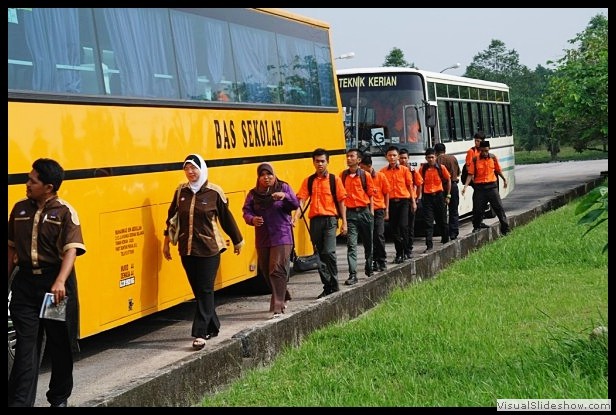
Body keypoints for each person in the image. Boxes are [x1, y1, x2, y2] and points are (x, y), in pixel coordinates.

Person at [8, 158, 87, 407]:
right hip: (25, 285)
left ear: (49, 187)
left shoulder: (65, 212)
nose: (27, 184)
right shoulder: (19, 210)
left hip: (54, 289)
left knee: (59, 343)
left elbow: (71, 250)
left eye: (33, 180)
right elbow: (10, 251)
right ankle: (19, 403)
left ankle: (59, 397)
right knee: (26, 347)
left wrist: (61, 281)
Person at [163, 154, 244, 350]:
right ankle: (213, 326)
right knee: (199, 291)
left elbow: (226, 218)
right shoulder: (180, 191)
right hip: (187, 249)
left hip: (209, 249)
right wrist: (166, 243)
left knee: (206, 289)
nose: (190, 172)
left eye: (194, 168)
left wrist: (237, 240)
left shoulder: (214, 192)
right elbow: (171, 217)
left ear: (202, 169)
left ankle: (199, 333)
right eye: (187, 168)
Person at [242, 163, 299, 318]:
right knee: (266, 271)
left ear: (274, 175)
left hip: (282, 235)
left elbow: (295, 203)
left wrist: (285, 196)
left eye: (269, 175)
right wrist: (252, 219)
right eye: (262, 175)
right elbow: (246, 211)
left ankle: (278, 306)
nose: (266, 178)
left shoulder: (283, 187)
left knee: (276, 269)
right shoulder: (253, 194)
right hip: (263, 237)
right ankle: (284, 294)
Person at [294, 148, 347, 299]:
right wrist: (296, 217)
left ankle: (334, 284)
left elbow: (342, 200)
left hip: (330, 220)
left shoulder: (334, 180)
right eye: (317, 161)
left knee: (329, 252)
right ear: (313, 162)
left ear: (327, 162)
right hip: (315, 221)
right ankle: (327, 286)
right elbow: (301, 200)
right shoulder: (309, 180)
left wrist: (344, 222)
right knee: (319, 255)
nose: (320, 164)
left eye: (322, 161)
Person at [340, 149, 375, 286]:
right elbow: (341, 198)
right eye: (347, 156)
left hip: (365, 212)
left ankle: (369, 266)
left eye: (352, 156)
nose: (349, 158)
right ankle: (353, 274)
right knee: (351, 245)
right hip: (351, 214)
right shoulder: (342, 176)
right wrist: (343, 220)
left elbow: (371, 194)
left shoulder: (365, 175)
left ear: (358, 160)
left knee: (368, 242)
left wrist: (371, 212)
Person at [461, 141, 510, 235]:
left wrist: (504, 179)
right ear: (480, 150)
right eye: (482, 151)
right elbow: (470, 174)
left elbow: (498, 170)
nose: (484, 153)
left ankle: (505, 229)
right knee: (477, 209)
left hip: (492, 187)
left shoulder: (493, 158)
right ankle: (476, 227)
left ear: (489, 149)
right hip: (480, 188)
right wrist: (466, 186)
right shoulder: (475, 159)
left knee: (499, 208)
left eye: (486, 151)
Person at [380, 145, 417, 264]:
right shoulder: (382, 172)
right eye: (390, 155)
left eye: (394, 155)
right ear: (386, 157)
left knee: (404, 226)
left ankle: (406, 251)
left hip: (404, 202)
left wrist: (413, 202)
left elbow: (409, 186)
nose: (392, 157)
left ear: (398, 157)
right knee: (394, 229)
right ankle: (399, 253)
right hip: (390, 203)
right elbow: (382, 190)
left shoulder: (404, 170)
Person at [359, 154, 390, 272]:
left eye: (362, 167)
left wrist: (387, 210)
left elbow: (386, 192)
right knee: (369, 237)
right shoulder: (360, 178)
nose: (361, 170)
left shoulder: (380, 176)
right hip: (366, 210)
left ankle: (382, 260)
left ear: (369, 166)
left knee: (379, 235)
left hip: (378, 210)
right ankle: (374, 261)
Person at [419, 148, 451, 252]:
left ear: (436, 157)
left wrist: (448, 195)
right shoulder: (422, 169)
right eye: (428, 158)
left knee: (441, 220)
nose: (430, 159)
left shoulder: (441, 168)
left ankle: (446, 240)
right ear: (426, 158)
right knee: (428, 222)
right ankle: (429, 245)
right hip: (427, 198)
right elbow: (419, 183)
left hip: (439, 196)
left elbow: (448, 180)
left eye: (432, 157)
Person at [398, 148, 423, 259]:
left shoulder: (412, 170)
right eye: (401, 158)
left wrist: (418, 198)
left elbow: (419, 184)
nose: (403, 160)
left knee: (410, 226)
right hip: (401, 201)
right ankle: (402, 250)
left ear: (408, 159)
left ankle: (409, 248)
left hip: (411, 200)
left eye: (405, 158)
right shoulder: (397, 170)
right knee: (401, 226)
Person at [435, 142, 461, 240]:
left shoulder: (437, 160)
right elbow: (458, 172)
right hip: (453, 186)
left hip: (441, 188)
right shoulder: (453, 158)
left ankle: (444, 234)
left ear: (436, 152)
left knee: (441, 212)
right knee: (453, 210)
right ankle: (453, 232)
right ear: (445, 150)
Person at [466, 131, 489, 229]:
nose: (476, 143)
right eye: (475, 141)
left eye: (478, 141)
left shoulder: (484, 152)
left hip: (485, 181)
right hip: (476, 181)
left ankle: (480, 221)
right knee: (477, 202)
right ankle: (476, 223)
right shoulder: (471, 151)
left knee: (484, 202)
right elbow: (468, 167)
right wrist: (473, 179)